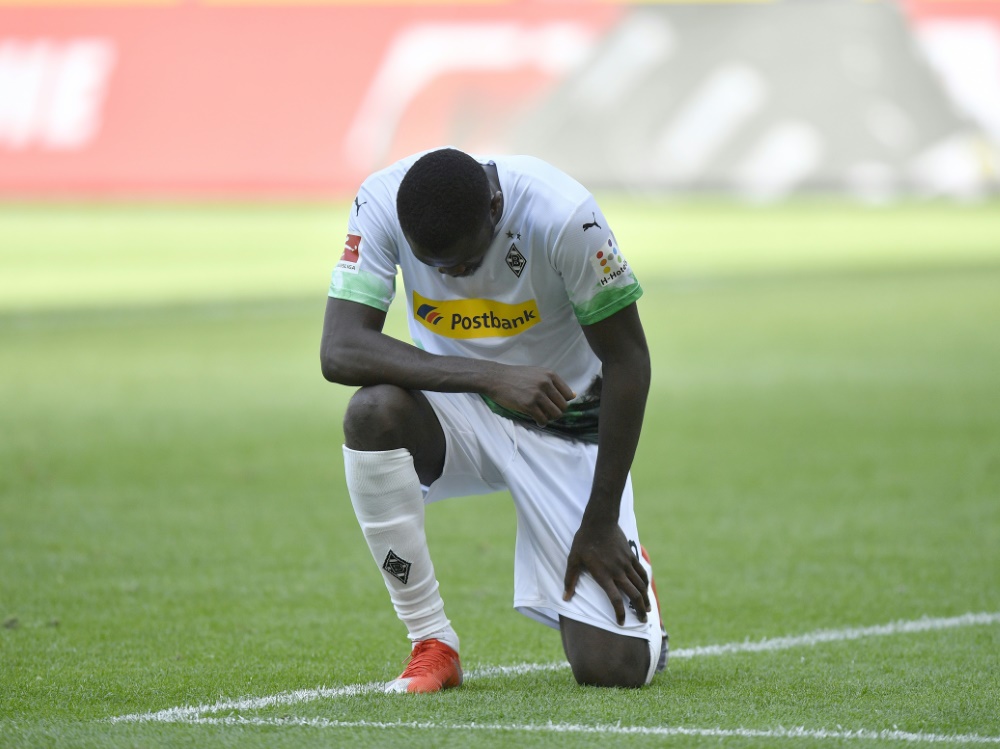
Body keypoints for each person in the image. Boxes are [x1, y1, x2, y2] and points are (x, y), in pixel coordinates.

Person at [320, 147, 667, 692]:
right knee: (372, 413)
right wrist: (490, 376)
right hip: (460, 408)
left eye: (463, 263)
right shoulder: (381, 201)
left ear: (496, 208)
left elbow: (629, 361)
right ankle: (431, 641)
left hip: (564, 421)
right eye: (434, 267)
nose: (451, 276)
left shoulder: (564, 216)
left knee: (612, 670)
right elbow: (339, 349)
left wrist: (601, 520)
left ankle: (629, 553)